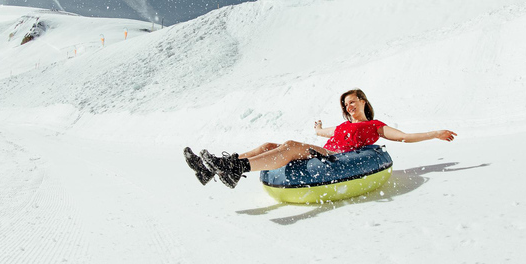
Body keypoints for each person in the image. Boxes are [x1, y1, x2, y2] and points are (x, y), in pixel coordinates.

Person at [184, 89, 457, 188]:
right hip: (325, 150)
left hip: (341, 159)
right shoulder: (341, 127)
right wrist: (318, 129)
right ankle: (214, 168)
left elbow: (404, 137)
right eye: (345, 104)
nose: (348, 107)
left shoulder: (375, 126)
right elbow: (323, 133)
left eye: (352, 102)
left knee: (290, 145)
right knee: (270, 145)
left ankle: (235, 169)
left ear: (362, 101)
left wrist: (435, 133)